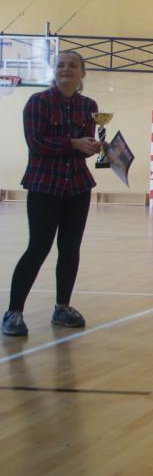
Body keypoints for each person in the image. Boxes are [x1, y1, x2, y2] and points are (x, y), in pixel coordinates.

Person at [4, 50, 101, 337]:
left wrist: (94, 147)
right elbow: (36, 142)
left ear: (82, 72)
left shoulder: (89, 106)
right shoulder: (38, 102)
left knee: (70, 249)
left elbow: (84, 147)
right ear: (54, 71)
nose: (66, 69)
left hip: (78, 187)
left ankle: (62, 307)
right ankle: (13, 312)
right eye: (61, 65)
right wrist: (74, 143)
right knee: (38, 247)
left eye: (72, 65)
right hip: (44, 185)